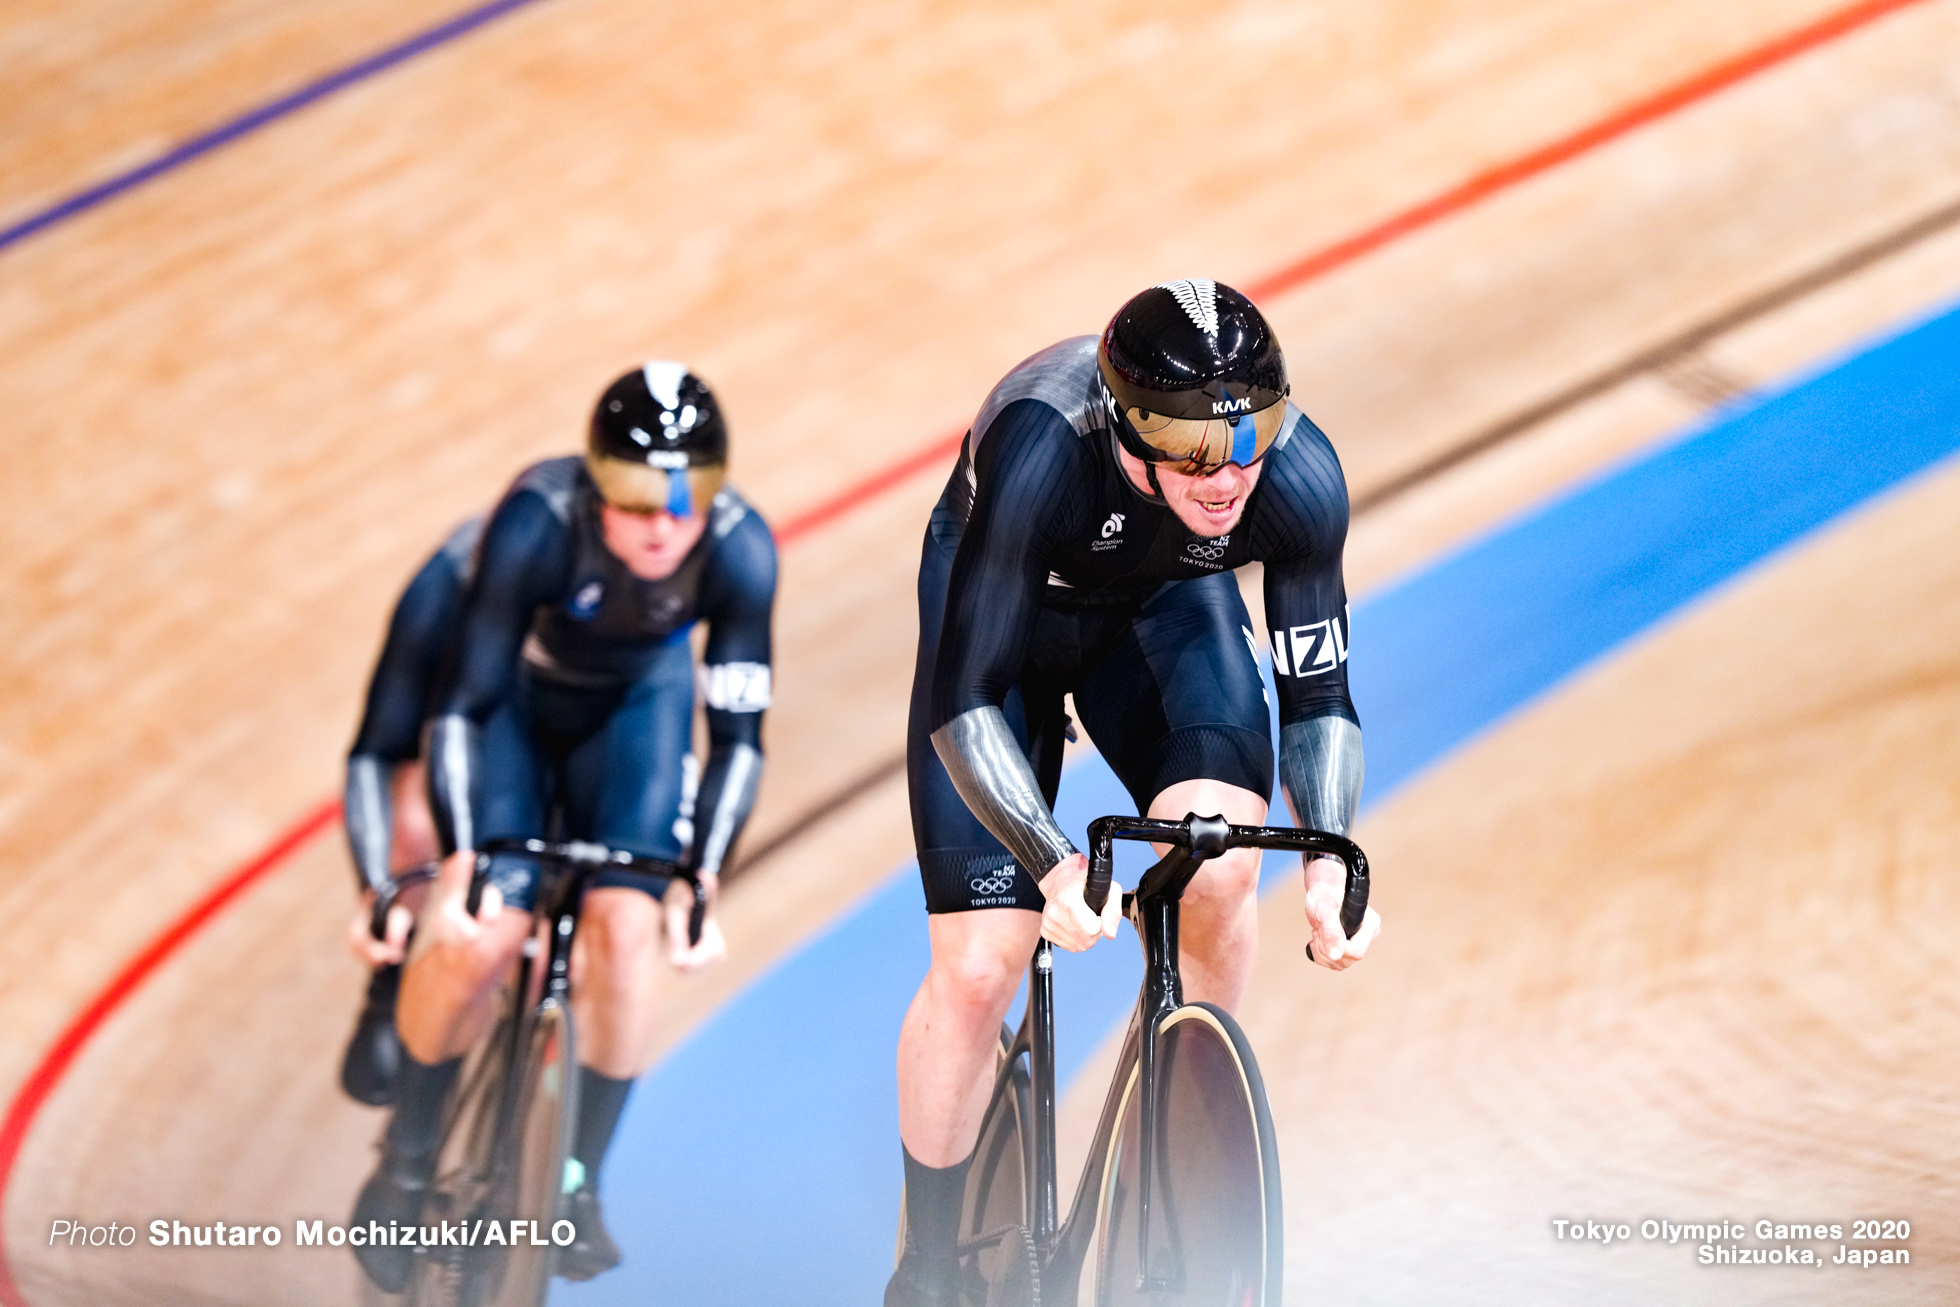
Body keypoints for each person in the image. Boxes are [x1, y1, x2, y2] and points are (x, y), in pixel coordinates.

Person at [886, 280, 1383, 1304]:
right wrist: (1049, 860)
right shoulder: (1040, 447)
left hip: (1158, 612)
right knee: (983, 964)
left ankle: (1169, 1149)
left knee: (1222, 857)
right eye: (1193, 448)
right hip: (1005, 634)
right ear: (1124, 429)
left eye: (1249, 438)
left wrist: (1331, 849)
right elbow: (966, 698)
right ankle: (929, 1264)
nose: (1227, 474)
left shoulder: (1296, 479)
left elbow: (1320, 696)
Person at [348, 362, 778, 1291]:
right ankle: (409, 1151)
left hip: (637, 714)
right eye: (634, 494)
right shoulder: (538, 517)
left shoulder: (743, 546)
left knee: (629, 933)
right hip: (517, 712)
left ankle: (577, 1180)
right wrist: (463, 856)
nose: (664, 521)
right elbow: (461, 707)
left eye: (687, 494)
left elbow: (741, 738)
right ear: (593, 486)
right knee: (479, 933)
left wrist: (700, 878)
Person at [338, 514, 484, 1107]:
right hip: (462, 690)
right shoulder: (445, 588)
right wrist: (379, 892)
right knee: (424, 814)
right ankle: (388, 980)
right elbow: (377, 752)